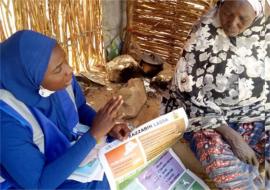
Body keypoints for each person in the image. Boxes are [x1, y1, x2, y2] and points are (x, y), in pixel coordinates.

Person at [0, 30, 131, 189]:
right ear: (30, 79)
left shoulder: (61, 80)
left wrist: (108, 127)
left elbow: (80, 107)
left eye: (65, 61)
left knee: (123, 154)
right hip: (37, 179)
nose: (69, 71)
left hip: (67, 149)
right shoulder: (6, 121)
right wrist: (94, 134)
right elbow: (38, 184)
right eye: (58, 69)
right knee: (105, 182)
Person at [161, 0, 269, 189]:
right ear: (220, 5)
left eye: (242, 18)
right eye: (227, 13)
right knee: (222, 165)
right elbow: (188, 92)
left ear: (256, 16)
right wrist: (233, 137)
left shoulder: (265, 33)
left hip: (255, 114)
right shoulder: (204, 31)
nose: (232, 23)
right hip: (207, 118)